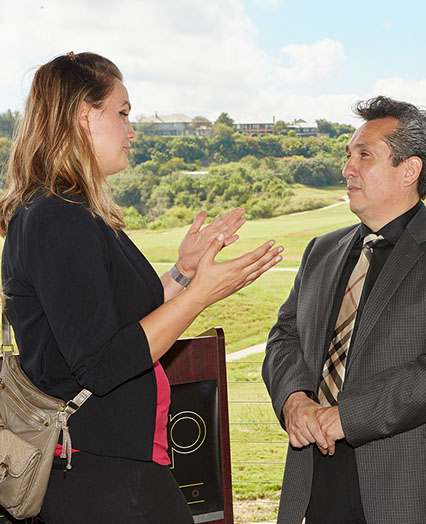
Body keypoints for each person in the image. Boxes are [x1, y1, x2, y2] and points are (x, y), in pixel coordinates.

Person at [0, 52, 283, 523]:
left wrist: (184, 273)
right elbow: (101, 364)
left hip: (115, 464)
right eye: (123, 113)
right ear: (83, 116)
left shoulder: (71, 212)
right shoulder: (59, 218)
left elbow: (121, 320)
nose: (132, 131)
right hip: (99, 473)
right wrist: (200, 296)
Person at [262, 96, 426, 523]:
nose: (347, 169)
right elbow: (285, 336)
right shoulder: (322, 250)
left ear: (409, 170)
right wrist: (294, 401)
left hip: (417, 491)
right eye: (348, 156)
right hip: (319, 482)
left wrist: (346, 417)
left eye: (364, 156)